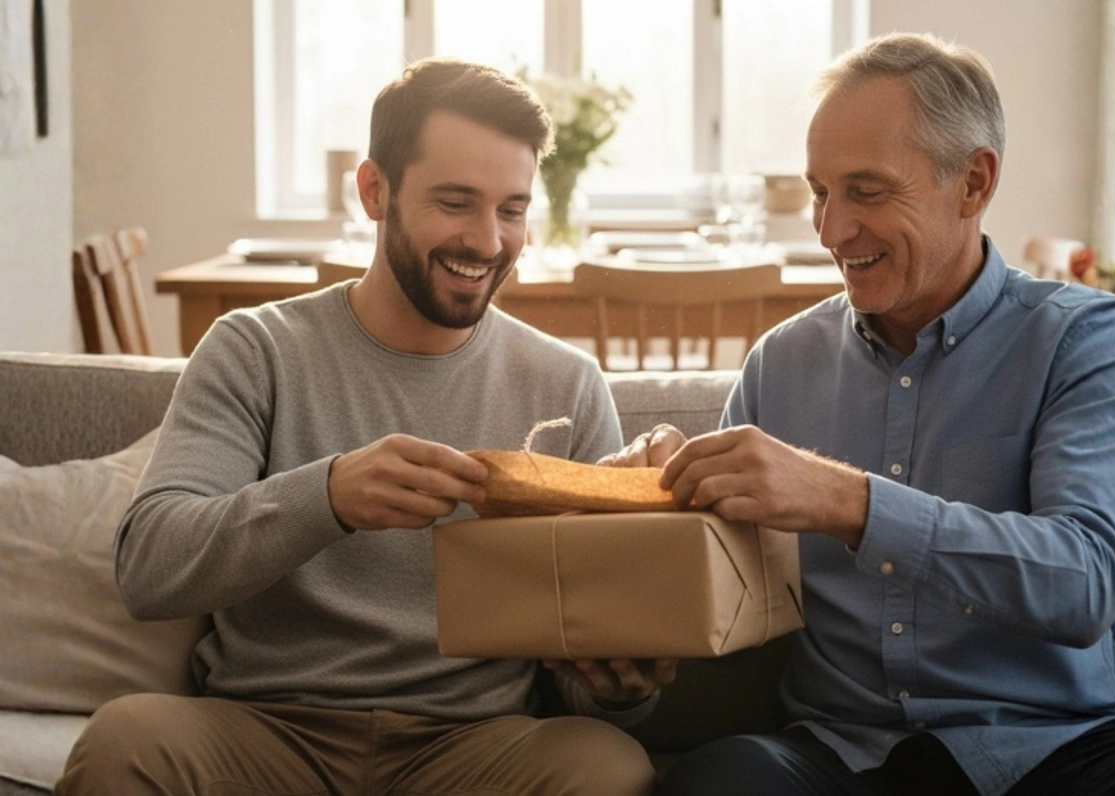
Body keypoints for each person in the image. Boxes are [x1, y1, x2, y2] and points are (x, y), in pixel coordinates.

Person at [606, 33, 1115, 796]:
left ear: (974, 182)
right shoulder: (781, 363)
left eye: (866, 190)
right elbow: (732, 608)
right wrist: (635, 653)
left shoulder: (1091, 340)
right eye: (821, 191)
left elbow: (1084, 582)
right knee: (717, 783)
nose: (829, 231)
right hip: (838, 753)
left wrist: (845, 502)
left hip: (1055, 751)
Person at [57, 58, 673, 796]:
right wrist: (330, 496)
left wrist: (620, 689)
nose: (487, 240)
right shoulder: (256, 349)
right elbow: (150, 568)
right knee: (125, 739)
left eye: (511, 209)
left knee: (608, 766)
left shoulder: (565, 384)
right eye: (456, 202)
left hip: (473, 746)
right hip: (265, 732)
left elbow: (582, 674)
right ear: (374, 191)